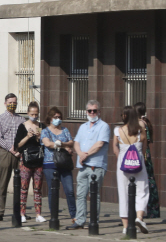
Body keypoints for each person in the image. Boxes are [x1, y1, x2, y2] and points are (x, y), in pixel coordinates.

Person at [66, 100, 110, 230]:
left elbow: (99, 144)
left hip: (96, 165)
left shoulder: (104, 126)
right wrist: (80, 153)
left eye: (94, 110)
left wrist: (86, 155)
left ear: (99, 112)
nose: (92, 113)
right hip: (83, 166)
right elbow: (76, 142)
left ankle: (93, 221)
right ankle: (80, 220)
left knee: (94, 194)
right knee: (80, 194)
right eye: (89, 110)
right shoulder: (83, 126)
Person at [113, 106, 149, 234]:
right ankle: (139, 217)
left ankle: (125, 226)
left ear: (124, 116)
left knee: (123, 192)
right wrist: (139, 157)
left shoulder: (118, 131)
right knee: (142, 190)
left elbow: (114, 148)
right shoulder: (140, 131)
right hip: (138, 162)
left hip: (123, 164)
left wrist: (122, 159)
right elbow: (144, 147)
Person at [41, 107, 76, 224]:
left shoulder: (65, 130)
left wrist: (63, 144)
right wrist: (61, 146)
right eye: (55, 117)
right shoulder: (45, 131)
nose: (58, 119)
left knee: (70, 190)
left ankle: (74, 215)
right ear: (50, 118)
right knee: (53, 190)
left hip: (64, 163)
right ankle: (54, 215)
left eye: (59, 117)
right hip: (50, 164)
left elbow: (71, 142)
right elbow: (48, 144)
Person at [0, 93, 25, 221]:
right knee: (3, 183)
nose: (13, 104)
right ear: (5, 103)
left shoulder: (22, 119)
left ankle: (20, 211)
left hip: (19, 153)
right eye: (10, 102)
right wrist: (11, 148)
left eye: (15, 102)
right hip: (6, 152)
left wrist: (19, 150)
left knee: (20, 183)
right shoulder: (0, 119)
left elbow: (24, 137)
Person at [13, 102, 46, 223]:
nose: (34, 116)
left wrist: (38, 137)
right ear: (28, 113)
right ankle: (22, 213)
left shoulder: (41, 126)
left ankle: (38, 214)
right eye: (32, 114)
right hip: (26, 160)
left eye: (36, 114)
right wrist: (27, 136)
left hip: (38, 160)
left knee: (37, 188)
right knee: (24, 187)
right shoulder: (23, 126)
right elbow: (17, 145)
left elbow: (44, 142)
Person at [135, 102, 160, 218]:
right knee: (149, 180)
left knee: (144, 181)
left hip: (143, 153)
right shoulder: (146, 122)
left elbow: (143, 140)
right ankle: (151, 209)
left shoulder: (141, 124)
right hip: (147, 153)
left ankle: (144, 210)